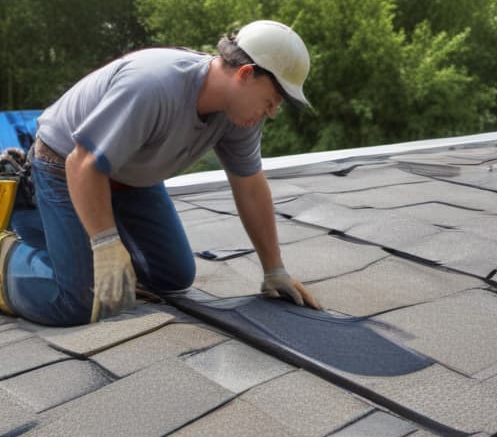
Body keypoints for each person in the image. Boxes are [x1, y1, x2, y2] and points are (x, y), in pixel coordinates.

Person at [0, 20, 320, 327]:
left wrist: (274, 269)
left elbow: (250, 185)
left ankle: (84, 255)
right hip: (64, 165)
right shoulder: (155, 84)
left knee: (172, 276)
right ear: (246, 74)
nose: (272, 112)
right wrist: (106, 244)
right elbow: (81, 164)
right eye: (271, 100)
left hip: (128, 176)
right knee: (76, 302)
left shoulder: (239, 115)